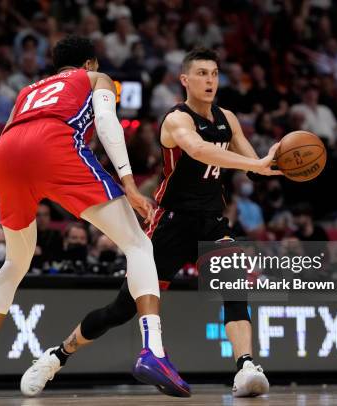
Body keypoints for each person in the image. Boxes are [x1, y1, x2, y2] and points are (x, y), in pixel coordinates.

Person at [0, 35, 191, 399]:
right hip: (55, 144)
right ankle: (153, 351)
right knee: (138, 243)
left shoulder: (26, 93)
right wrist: (128, 183)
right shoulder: (94, 78)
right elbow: (108, 123)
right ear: (90, 63)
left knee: (15, 264)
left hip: (12, 155)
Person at [33, 48, 279, 398]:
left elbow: (253, 164)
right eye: (202, 74)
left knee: (234, 281)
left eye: (214, 73)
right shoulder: (176, 119)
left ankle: (245, 368)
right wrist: (254, 165)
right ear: (185, 80)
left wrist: (275, 162)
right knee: (121, 309)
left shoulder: (228, 118)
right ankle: (57, 356)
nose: (210, 80)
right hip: (170, 224)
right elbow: (198, 150)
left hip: (211, 221)